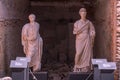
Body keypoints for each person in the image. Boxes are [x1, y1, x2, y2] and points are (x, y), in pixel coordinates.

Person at [73, 8, 95, 72]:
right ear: (80, 13)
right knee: (78, 53)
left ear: (86, 13)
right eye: (82, 12)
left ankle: (85, 67)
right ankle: (76, 66)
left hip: (87, 39)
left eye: (85, 12)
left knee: (87, 54)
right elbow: (75, 32)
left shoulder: (89, 22)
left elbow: (92, 30)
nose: (83, 13)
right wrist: (79, 30)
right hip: (79, 40)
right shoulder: (76, 23)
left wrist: (92, 34)